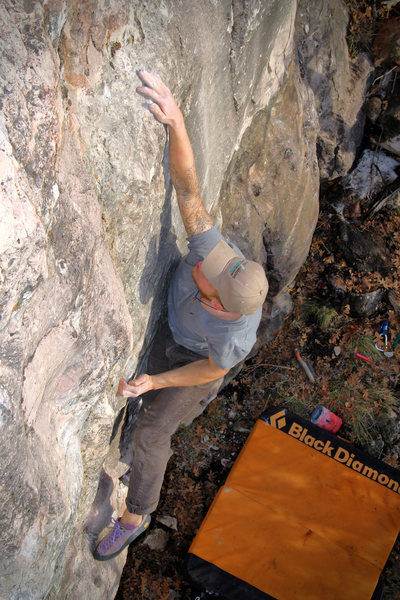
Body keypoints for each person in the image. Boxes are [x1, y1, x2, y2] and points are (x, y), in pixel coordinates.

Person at [93, 71, 268, 561]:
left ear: (222, 309)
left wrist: (159, 381)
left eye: (211, 287)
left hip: (196, 361)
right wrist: (177, 121)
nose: (204, 270)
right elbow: (188, 190)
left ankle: (135, 515)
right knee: (143, 402)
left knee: (152, 432)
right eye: (214, 270)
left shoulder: (232, 338)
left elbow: (211, 370)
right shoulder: (215, 251)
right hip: (173, 327)